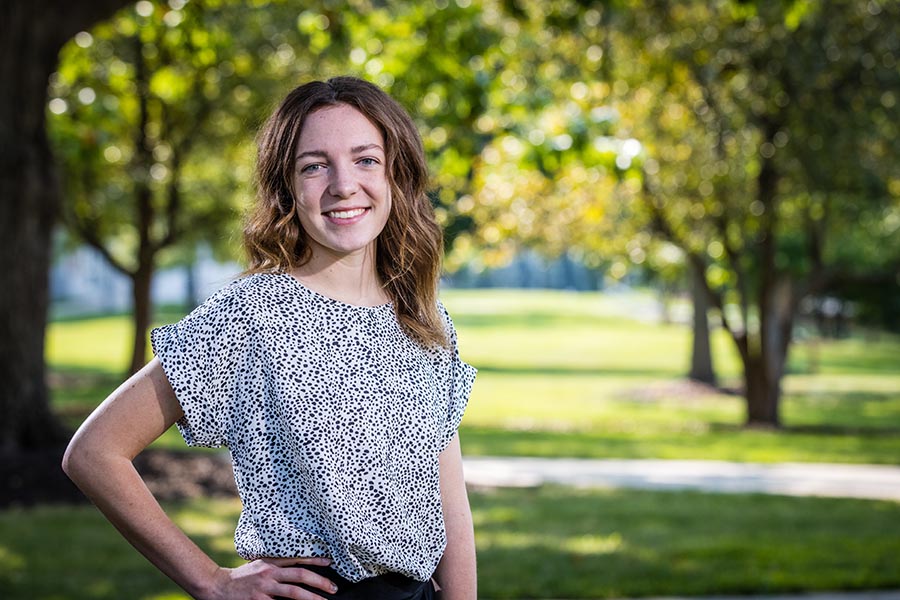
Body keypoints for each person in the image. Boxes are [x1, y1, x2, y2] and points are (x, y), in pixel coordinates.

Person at [63, 76, 477, 600]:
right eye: (314, 165)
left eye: (366, 159)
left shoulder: (425, 317)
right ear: (286, 187)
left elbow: (450, 502)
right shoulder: (252, 316)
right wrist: (210, 580)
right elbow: (94, 453)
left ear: (398, 174)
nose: (344, 184)